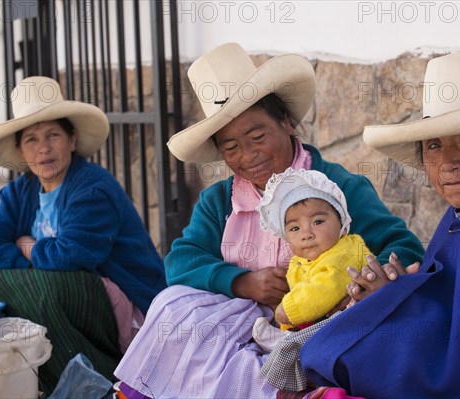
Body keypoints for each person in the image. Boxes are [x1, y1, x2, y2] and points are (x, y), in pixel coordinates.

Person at [114, 42, 424, 399]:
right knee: (172, 304)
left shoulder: (336, 188)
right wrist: (243, 281)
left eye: (257, 136)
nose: (248, 155)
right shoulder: (220, 202)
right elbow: (182, 261)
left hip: (313, 325)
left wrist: (357, 286)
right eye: (231, 147)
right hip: (239, 327)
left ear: (286, 123)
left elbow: (403, 247)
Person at [299, 52, 460, 398]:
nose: (449, 162)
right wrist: (397, 291)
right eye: (434, 145)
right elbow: (456, 302)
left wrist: (396, 305)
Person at [0, 76, 167, 394]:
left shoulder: (91, 186)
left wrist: (29, 248)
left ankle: (101, 382)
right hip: (72, 294)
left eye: (53, 135)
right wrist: (35, 263)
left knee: (46, 293)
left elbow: (71, 256)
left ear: (71, 140)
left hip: (128, 306)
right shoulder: (20, 192)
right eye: (31, 139)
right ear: (20, 149)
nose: (43, 148)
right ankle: (41, 379)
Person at [256, 167, 372, 333]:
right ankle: (287, 336)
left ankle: (288, 340)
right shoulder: (299, 261)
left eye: (317, 222)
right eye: (295, 228)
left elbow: (325, 288)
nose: (306, 234)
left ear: (343, 226)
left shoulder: (344, 254)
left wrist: (289, 310)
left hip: (354, 324)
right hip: (319, 322)